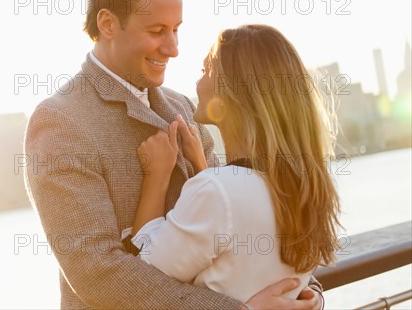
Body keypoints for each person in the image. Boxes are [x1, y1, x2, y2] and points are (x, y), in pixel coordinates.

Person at [24, 0, 325, 309]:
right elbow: (95, 272)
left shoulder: (184, 107)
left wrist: (305, 292)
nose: (174, 49)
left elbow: (245, 222)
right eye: (157, 32)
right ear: (107, 23)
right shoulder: (60, 121)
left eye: (176, 29)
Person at [131, 24, 341, 305]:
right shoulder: (305, 184)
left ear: (232, 91)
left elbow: (145, 275)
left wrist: (155, 176)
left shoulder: (217, 189)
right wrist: (203, 169)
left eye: (206, 69)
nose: (197, 82)